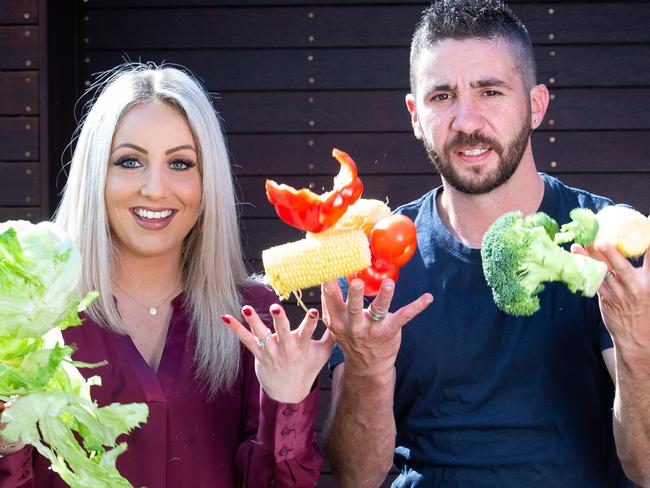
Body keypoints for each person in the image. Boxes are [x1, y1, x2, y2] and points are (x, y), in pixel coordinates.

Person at [322, 1, 649, 486]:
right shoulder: (377, 255)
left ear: (535, 105)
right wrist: (368, 372)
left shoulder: (608, 243)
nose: (466, 120)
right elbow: (356, 477)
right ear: (415, 115)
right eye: (442, 96)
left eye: (490, 91)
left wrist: (638, 341)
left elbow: (645, 469)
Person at [0, 64, 333, 487]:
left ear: (205, 181)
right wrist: (7, 441)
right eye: (130, 161)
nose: (155, 188)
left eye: (179, 163)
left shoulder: (256, 318)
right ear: (95, 175)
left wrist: (288, 400)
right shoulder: (31, 322)